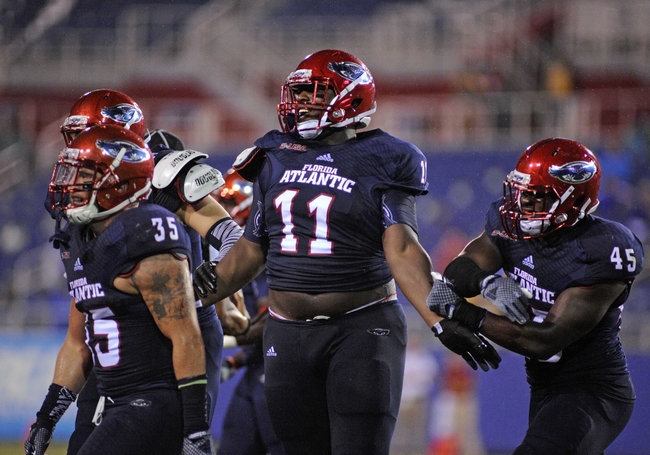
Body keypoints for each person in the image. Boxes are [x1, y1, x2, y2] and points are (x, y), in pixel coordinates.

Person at [192, 49, 502, 455]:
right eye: (298, 94)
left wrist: (437, 320)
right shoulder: (272, 154)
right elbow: (252, 248)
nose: (300, 104)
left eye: (313, 94)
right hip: (287, 334)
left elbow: (403, 248)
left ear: (351, 97)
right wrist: (191, 295)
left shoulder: (388, 157)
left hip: (361, 330)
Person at [54, 89, 245, 455]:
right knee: (84, 439)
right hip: (119, 330)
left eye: (88, 134)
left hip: (180, 331)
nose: (77, 147)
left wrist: (199, 290)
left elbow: (232, 237)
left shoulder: (163, 174)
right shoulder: (80, 184)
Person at [426, 137, 644, 454]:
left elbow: (544, 341)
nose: (523, 204)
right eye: (521, 193)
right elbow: (459, 271)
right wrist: (487, 282)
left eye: (537, 197)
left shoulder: (604, 247)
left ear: (573, 199)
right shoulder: (509, 226)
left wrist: (465, 314)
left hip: (594, 390)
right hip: (543, 386)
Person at [25, 125, 215, 455]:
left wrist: (195, 430)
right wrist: (46, 418)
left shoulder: (143, 233)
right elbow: (77, 342)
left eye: (83, 175)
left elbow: (186, 335)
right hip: (117, 402)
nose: (71, 184)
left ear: (118, 183)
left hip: (153, 400)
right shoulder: (83, 239)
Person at [211, 169, 285, 455]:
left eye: (228, 203)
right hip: (257, 372)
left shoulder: (270, 251)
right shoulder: (238, 253)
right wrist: (236, 361)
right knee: (233, 444)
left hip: (280, 372)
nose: (221, 211)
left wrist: (222, 340)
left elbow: (271, 325)